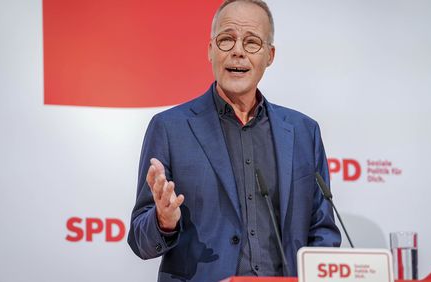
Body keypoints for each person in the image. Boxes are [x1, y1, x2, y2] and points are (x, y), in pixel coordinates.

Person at [128, 0, 341, 281]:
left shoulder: (304, 132)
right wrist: (163, 221)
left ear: (270, 55)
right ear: (210, 50)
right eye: (226, 39)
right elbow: (140, 240)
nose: (238, 51)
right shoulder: (169, 128)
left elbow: (323, 231)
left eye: (252, 42)